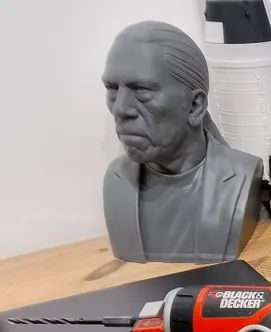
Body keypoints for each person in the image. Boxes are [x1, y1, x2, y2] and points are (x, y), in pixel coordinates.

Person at [102, 21, 262, 263]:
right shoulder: (116, 180)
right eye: (112, 88)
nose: (120, 109)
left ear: (195, 106)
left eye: (142, 89)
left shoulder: (240, 177)